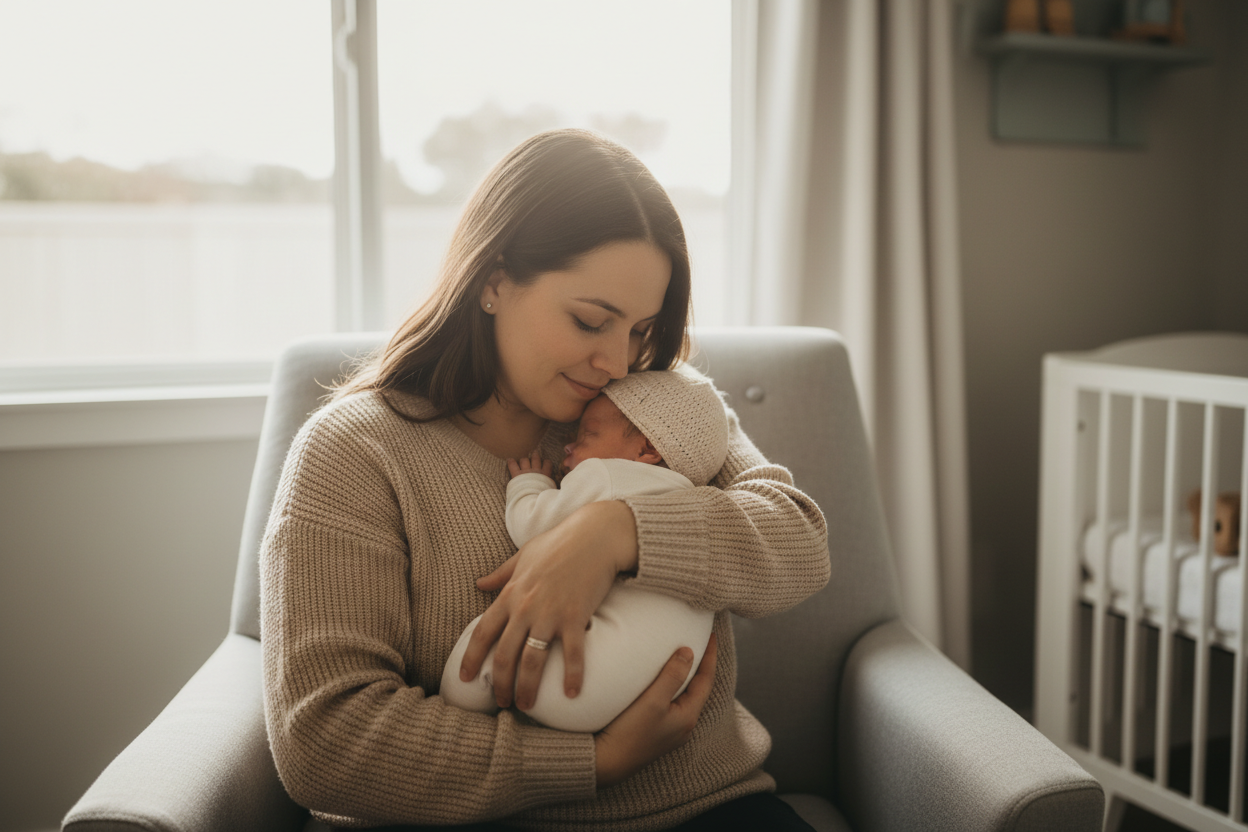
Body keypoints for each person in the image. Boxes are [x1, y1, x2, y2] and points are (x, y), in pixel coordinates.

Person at [260, 128, 830, 831]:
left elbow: (801, 544)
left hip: (704, 809)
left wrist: (615, 531)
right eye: (591, 321)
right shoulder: (357, 452)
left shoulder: (655, 406)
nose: (617, 363)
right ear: (493, 281)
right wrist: (590, 763)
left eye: (640, 330)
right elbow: (325, 740)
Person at [440, 368, 727, 733]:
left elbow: (533, 528)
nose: (569, 447)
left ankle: (457, 702)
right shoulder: (696, 502)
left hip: (578, 678)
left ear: (647, 450)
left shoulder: (609, 476)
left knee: (486, 639)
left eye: (588, 434)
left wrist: (529, 483)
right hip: (652, 696)